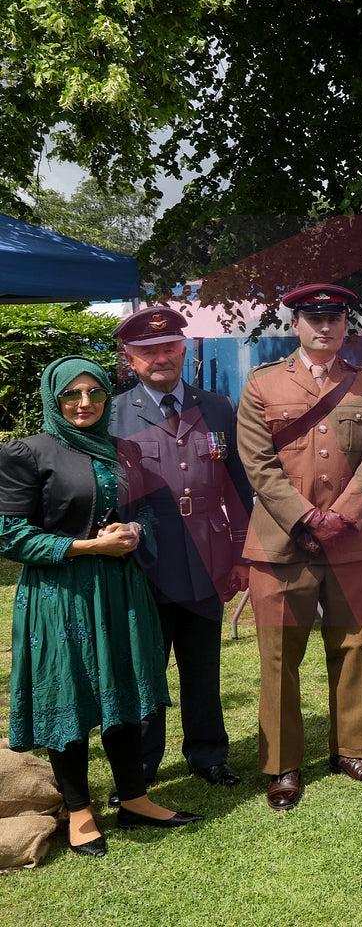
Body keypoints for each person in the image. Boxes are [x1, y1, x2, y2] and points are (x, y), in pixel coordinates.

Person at [1, 356, 202, 858]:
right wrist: (87, 548)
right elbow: (8, 534)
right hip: (59, 595)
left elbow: (155, 513)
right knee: (67, 694)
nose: (84, 403)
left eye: (94, 392)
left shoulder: (126, 451)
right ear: (54, 397)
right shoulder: (26, 453)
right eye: (72, 394)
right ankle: (80, 811)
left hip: (120, 592)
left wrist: (133, 532)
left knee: (125, 688)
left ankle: (134, 798)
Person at [238, 284, 362, 810]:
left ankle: (351, 750)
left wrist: (342, 517)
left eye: (334, 318)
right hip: (282, 543)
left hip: (352, 541)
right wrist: (305, 517)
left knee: (353, 645)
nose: (323, 327)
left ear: (346, 324)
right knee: (280, 655)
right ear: (296, 324)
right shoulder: (262, 385)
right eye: (313, 317)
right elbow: (257, 464)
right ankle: (283, 764)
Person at [109, 306, 253, 795]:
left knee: (202, 664)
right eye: (147, 352)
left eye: (168, 348)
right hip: (144, 561)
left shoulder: (216, 407)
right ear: (131, 359)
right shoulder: (113, 414)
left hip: (208, 555)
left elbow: (240, 487)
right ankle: (144, 763)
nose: (160, 359)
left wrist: (240, 555)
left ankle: (208, 754)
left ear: (183, 349)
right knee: (145, 668)